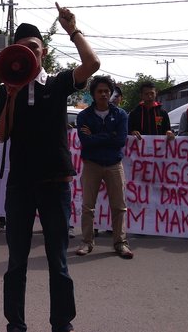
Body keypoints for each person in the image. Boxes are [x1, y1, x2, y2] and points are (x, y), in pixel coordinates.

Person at [0, 3, 100, 332]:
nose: (29, 54)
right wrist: (11, 96)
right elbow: (1, 134)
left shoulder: (57, 83)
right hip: (21, 184)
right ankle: (15, 324)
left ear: (44, 52)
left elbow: (92, 64)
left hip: (55, 182)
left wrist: (72, 29)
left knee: (58, 259)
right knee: (16, 261)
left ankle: (61, 323)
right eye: (22, 49)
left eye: (35, 48)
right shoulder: (4, 88)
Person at [75, 76, 134, 259]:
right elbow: (86, 141)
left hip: (114, 165)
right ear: (93, 94)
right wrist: (109, 135)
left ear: (111, 93)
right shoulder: (83, 116)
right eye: (99, 91)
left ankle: (120, 243)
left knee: (119, 206)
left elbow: (119, 140)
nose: (103, 94)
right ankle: (87, 241)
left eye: (106, 91)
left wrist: (96, 136)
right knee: (88, 207)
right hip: (91, 164)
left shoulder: (121, 114)